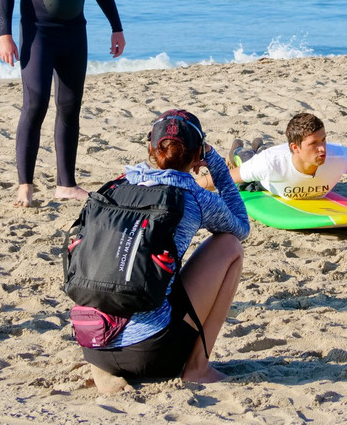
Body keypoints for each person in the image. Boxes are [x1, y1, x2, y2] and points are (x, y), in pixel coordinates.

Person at [82, 110, 249, 390]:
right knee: (230, 245)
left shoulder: (118, 184)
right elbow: (241, 227)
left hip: (93, 341)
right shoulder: (194, 195)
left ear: (151, 148)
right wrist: (217, 165)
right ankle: (197, 367)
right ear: (198, 156)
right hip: (150, 353)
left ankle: (104, 365)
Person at [0, 0, 126, 207]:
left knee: (70, 107)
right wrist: (5, 34)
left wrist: (116, 25)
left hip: (74, 31)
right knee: (35, 104)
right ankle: (25, 184)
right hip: (38, 32)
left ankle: (65, 184)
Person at [196, 112, 347, 198]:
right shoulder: (270, 164)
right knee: (246, 155)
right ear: (296, 147)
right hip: (263, 175)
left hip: (278, 156)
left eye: (324, 140)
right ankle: (238, 146)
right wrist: (184, 188)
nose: (322, 148)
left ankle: (262, 142)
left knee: (264, 150)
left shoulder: (338, 156)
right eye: (314, 144)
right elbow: (222, 179)